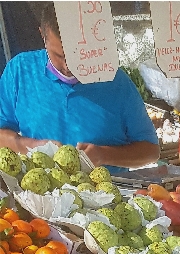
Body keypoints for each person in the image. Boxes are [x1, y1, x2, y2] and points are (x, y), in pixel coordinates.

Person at [0, 3, 159, 167]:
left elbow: (151, 151)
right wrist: (33, 147)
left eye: (76, 56)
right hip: (37, 191)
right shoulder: (20, 70)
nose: (68, 67)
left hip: (106, 190)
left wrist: (103, 155)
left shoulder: (115, 81)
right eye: (59, 55)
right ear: (43, 36)